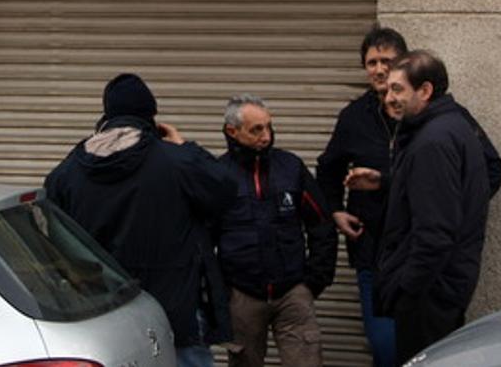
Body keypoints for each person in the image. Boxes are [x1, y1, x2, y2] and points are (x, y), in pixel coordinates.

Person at [315, 25, 501, 367]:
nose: (379, 72)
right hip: (375, 252)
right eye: (371, 63)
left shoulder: (440, 131)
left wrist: (408, 287)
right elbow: (328, 168)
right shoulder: (356, 118)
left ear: (422, 87)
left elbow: (448, 208)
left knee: (410, 356)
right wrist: (335, 211)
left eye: (387, 63)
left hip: (422, 274)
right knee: (390, 348)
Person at [45, 74, 238, 367]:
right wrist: (184, 147)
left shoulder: (69, 172)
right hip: (177, 319)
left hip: (106, 322)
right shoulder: (177, 161)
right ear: (151, 117)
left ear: (106, 117)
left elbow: (54, 236)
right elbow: (225, 188)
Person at [214, 94, 337, 367]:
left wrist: (314, 280)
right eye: (256, 129)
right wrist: (221, 291)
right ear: (232, 132)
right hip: (243, 295)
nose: (266, 136)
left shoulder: (291, 168)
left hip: (292, 292)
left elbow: (321, 223)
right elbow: (203, 237)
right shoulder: (218, 175)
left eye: (269, 126)